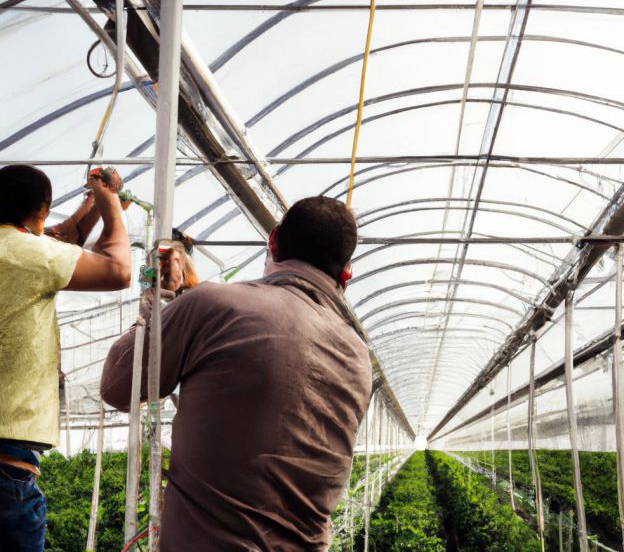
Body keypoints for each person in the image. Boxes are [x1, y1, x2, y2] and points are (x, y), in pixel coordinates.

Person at [101, 196, 372, 551]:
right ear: (346, 274)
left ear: (272, 240)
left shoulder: (212, 306)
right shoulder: (358, 356)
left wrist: (157, 308)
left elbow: (118, 386)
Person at [0, 164, 131, 552]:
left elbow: (63, 238)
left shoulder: (35, 248)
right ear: (42, 211)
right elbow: (118, 269)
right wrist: (110, 205)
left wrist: (89, 206)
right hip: (7, 456)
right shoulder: (34, 254)